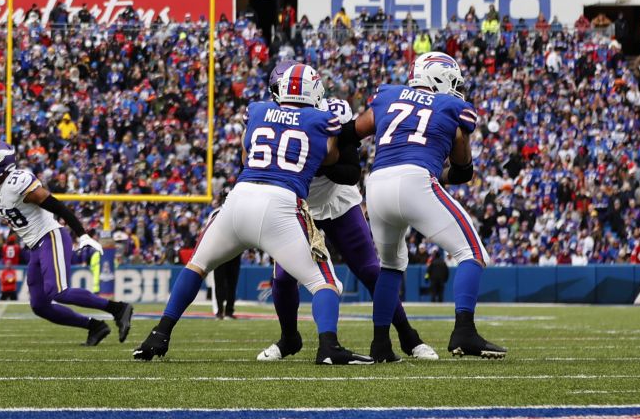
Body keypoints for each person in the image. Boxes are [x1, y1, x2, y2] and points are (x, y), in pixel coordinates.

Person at [133, 64, 371, 366]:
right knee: (325, 282)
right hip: (282, 205)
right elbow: (332, 158)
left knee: (198, 265)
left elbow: (246, 154)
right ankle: (329, 346)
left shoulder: (257, 110)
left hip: (239, 199)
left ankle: (160, 333)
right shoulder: (323, 119)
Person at [345, 51, 505, 358]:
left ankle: (380, 344)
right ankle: (464, 331)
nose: (457, 88)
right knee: (472, 252)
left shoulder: (388, 95)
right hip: (416, 178)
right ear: (438, 77)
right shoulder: (452, 106)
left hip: (377, 184)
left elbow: (354, 131)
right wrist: (445, 169)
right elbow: (463, 169)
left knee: (390, 265)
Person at [258, 93, 434, 363]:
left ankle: (409, 336)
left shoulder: (334, 112)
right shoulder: (277, 118)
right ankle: (289, 338)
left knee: (370, 271)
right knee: (283, 278)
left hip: (337, 200)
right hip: (298, 205)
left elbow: (351, 172)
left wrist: (320, 160)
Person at [0, 140, 133, 346]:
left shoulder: (19, 181)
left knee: (59, 291)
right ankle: (94, 326)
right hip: (35, 246)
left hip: (51, 236)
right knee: (39, 305)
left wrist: (81, 233)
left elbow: (57, 206)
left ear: (3, 163)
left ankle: (118, 309)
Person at [212, 250, 240, 318]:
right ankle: (220, 310)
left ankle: (229, 310)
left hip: (234, 254)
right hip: (220, 254)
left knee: (232, 284)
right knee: (219, 283)